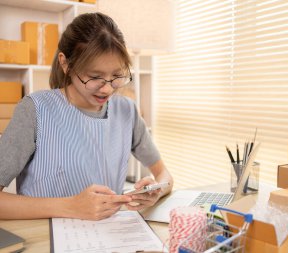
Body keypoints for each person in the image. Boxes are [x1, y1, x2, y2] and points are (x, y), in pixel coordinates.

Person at [0, 12, 173, 220]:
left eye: (117, 75)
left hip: (107, 238)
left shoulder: (126, 110)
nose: (108, 89)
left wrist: (156, 190)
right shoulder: (35, 110)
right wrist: (70, 207)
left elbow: (164, 175)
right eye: (95, 77)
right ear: (66, 64)